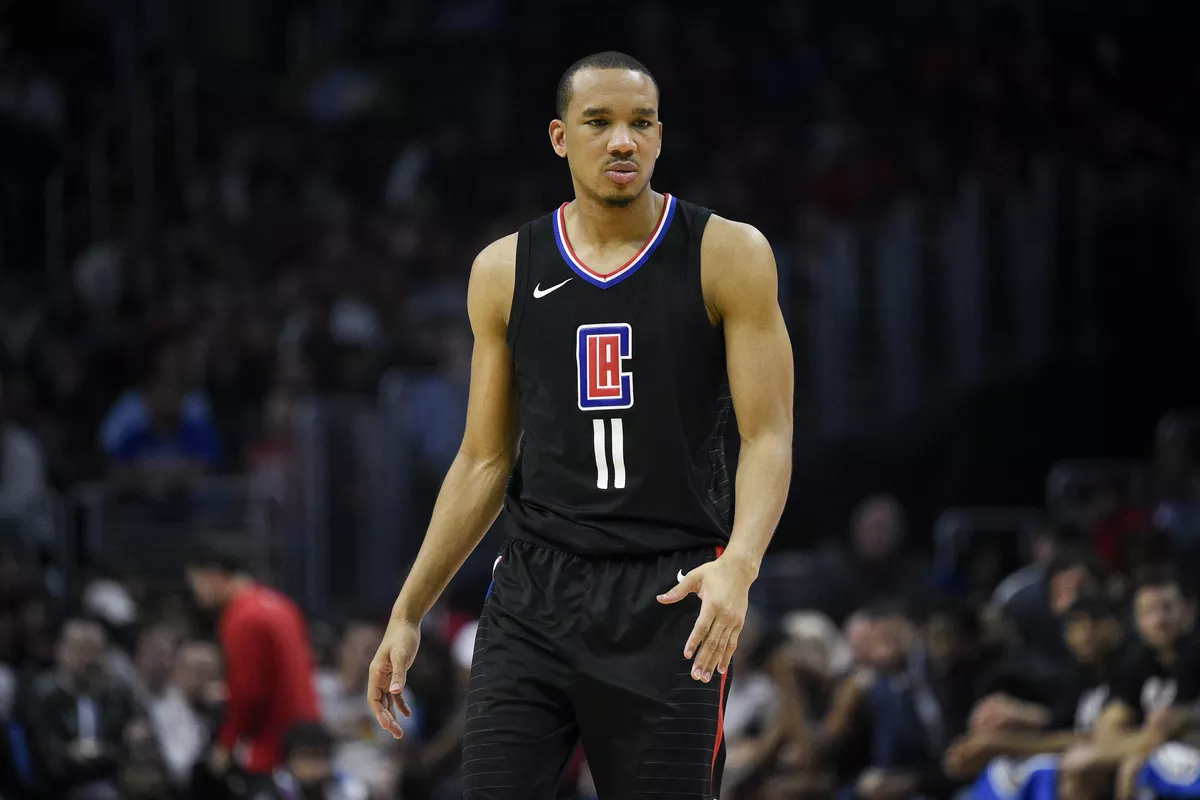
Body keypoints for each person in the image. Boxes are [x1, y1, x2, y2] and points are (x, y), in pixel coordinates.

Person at [367, 50, 794, 800]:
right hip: (536, 588)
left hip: (670, 591)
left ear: (659, 137)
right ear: (561, 138)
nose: (622, 140)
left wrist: (742, 563)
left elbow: (769, 436)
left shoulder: (728, 254)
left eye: (641, 123)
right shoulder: (503, 269)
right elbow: (483, 459)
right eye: (599, 122)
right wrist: (408, 611)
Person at [185, 539, 320, 788]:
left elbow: (250, 692)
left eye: (196, 582)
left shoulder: (242, 617)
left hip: (273, 745)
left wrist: (226, 744)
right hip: (307, 737)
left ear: (213, 575)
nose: (196, 593)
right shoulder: (280, 604)